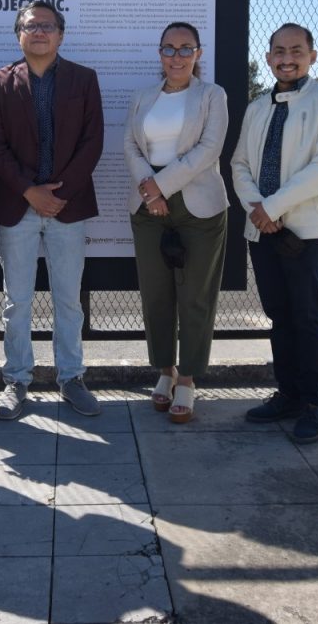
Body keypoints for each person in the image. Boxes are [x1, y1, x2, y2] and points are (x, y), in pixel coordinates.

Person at [230, 23, 318, 444]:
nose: (287, 59)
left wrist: (273, 207)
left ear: (312, 56)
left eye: (296, 51)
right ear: (268, 58)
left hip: (304, 231)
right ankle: (287, 394)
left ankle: (312, 401)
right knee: (279, 314)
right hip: (262, 227)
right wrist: (257, 208)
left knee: (307, 315)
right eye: (279, 51)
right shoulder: (257, 107)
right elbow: (240, 164)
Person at [0, 0, 105, 420]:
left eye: (47, 26)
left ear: (61, 34)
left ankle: (71, 378)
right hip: (16, 206)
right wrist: (29, 191)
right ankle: (16, 380)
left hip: (67, 207)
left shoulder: (84, 79)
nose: (39, 32)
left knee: (68, 300)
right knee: (16, 301)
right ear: (18, 34)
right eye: (31, 25)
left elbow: (93, 141)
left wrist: (59, 193)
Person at [124, 22, 229, 423]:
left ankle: (187, 378)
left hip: (199, 207)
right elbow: (130, 145)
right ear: (160, 53)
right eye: (169, 48)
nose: (177, 56)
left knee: (195, 296)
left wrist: (161, 186)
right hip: (147, 206)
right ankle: (165, 371)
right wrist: (150, 191)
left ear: (198, 54)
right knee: (156, 294)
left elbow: (209, 148)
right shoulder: (142, 97)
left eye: (186, 48)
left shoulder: (212, 95)